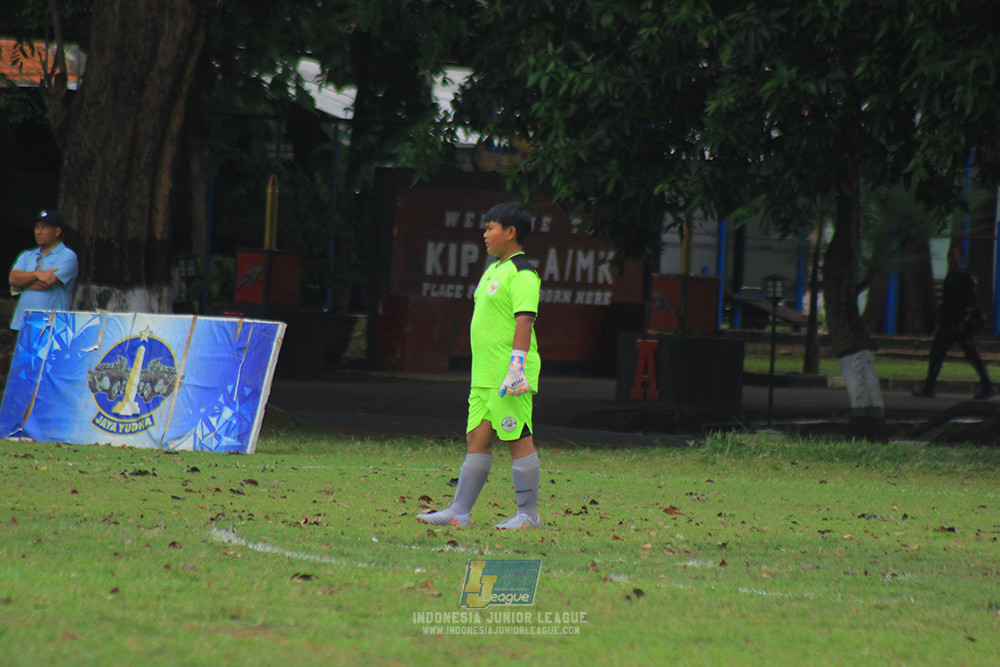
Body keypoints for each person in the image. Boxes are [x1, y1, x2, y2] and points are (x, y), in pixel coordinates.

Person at [416, 202, 543, 530]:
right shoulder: (493, 270)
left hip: (507, 375)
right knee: (477, 440)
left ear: (510, 233)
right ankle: (459, 512)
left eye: (490, 228)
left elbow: (524, 320)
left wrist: (516, 368)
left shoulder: (523, 273)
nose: (484, 235)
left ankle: (528, 516)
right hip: (483, 376)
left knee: (518, 438)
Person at [913, 245, 995, 400]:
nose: (951, 258)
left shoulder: (966, 277)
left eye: (954, 255)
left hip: (961, 325)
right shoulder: (950, 277)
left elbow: (971, 301)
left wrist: (964, 319)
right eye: (949, 255)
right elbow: (947, 303)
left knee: (972, 354)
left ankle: (988, 386)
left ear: (960, 257)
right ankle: (929, 387)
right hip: (948, 324)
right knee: (937, 353)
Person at [8, 209, 79, 331]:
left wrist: (22, 283)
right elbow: (13, 279)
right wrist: (38, 274)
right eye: (37, 227)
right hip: (23, 325)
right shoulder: (27, 255)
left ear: (57, 232)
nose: (39, 232)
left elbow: (45, 284)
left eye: (44, 228)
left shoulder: (67, 256)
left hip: (51, 327)